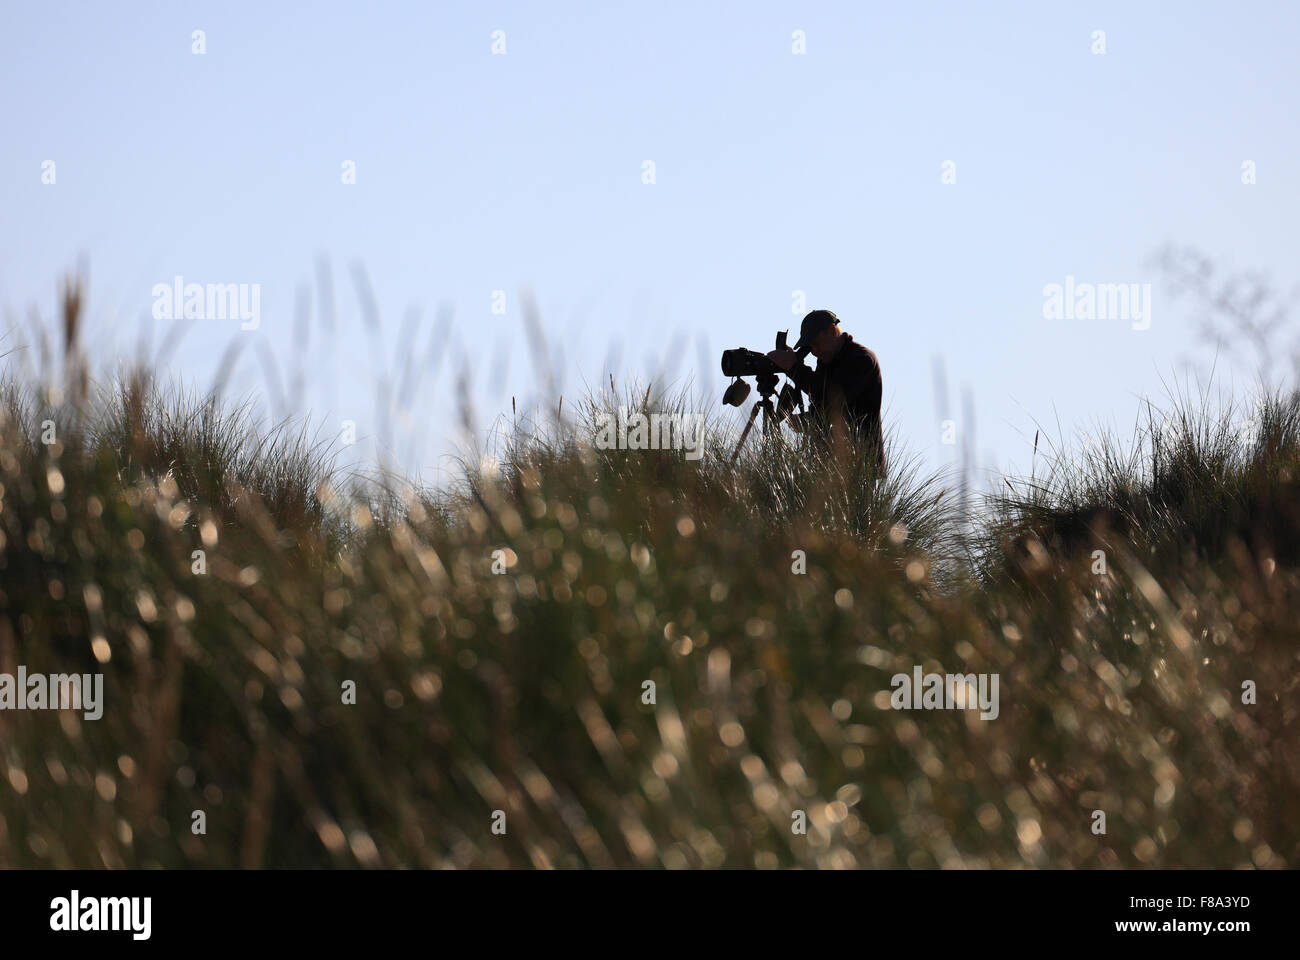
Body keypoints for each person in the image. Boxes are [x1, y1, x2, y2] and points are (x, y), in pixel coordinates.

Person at [767, 309, 885, 473]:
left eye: (816, 343)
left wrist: (794, 368)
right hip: (829, 463)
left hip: (859, 465)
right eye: (810, 347)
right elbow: (823, 403)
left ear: (831, 331)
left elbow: (834, 401)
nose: (814, 351)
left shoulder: (861, 359)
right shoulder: (828, 361)